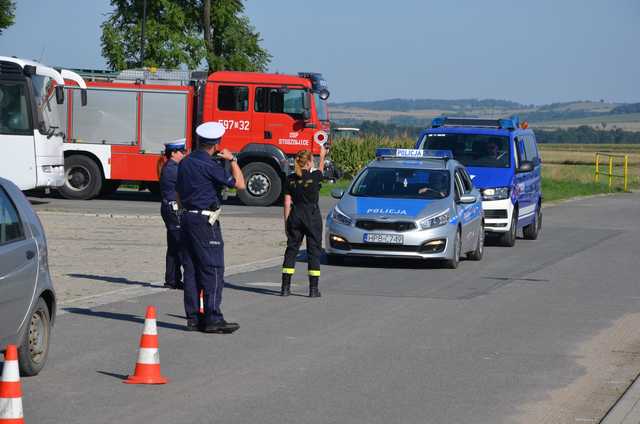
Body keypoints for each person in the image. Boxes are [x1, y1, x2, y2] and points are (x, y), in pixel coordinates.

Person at [176, 122, 246, 333]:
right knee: (213, 268)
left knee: (191, 270)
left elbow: (178, 193)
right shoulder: (209, 165)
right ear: (216, 144)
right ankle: (213, 318)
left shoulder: (185, 162)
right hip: (206, 221)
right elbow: (240, 184)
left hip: (186, 218)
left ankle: (193, 318)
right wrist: (232, 160)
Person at [281, 144, 327, 298]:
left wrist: (287, 223)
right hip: (312, 217)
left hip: (295, 216)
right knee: (314, 252)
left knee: (291, 250)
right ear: (308, 163)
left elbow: (287, 203)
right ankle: (313, 289)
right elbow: (320, 170)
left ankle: (285, 288)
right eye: (311, 161)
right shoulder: (315, 177)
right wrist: (322, 156)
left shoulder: (290, 179)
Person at [159, 139, 186, 290]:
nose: (184, 154)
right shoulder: (173, 169)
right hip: (173, 209)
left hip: (171, 208)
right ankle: (187, 278)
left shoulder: (172, 166)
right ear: (173, 153)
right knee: (181, 244)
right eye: (182, 151)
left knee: (174, 246)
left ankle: (172, 279)